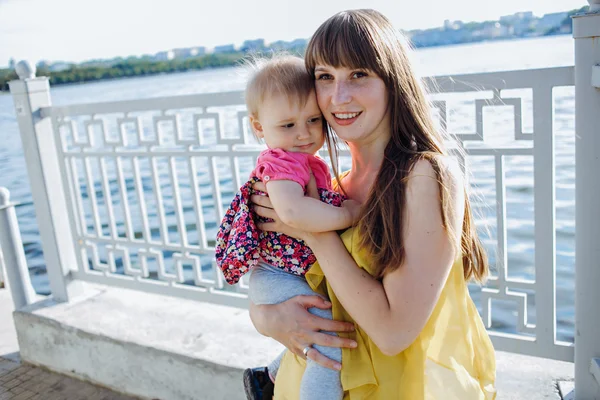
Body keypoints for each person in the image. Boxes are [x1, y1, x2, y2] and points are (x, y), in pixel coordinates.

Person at [247, 9, 497, 400]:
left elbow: (394, 332)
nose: (338, 97)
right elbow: (294, 286)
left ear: (393, 81)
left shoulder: (423, 176)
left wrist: (315, 234)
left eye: (359, 75)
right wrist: (267, 318)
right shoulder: (331, 187)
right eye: (325, 77)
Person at [215, 55, 361, 400]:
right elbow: (293, 212)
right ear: (259, 127)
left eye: (313, 120)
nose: (304, 133)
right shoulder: (281, 164)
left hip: (285, 274)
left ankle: (267, 379)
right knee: (330, 346)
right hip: (275, 276)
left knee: (321, 326)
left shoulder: (306, 161)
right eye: (287, 125)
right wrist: (350, 215)